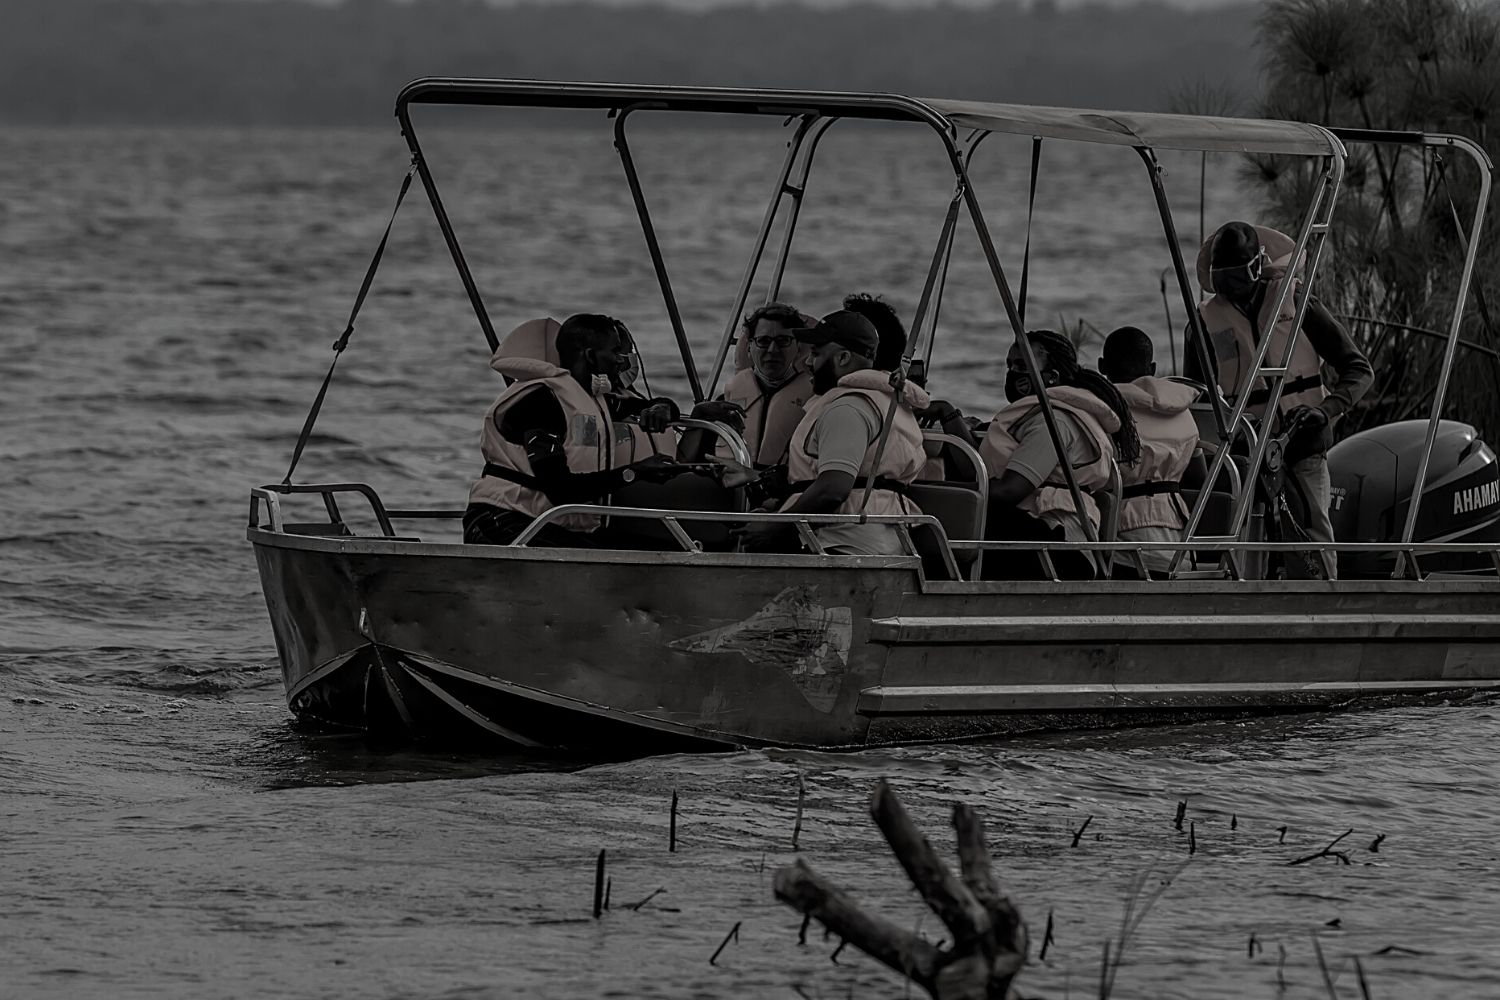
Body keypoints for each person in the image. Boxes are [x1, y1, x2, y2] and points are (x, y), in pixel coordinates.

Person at [1189, 221, 1373, 577]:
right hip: (1242, 452)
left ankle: (1318, 613)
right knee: (1239, 544)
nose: (1234, 295)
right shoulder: (1204, 322)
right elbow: (1195, 401)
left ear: (1259, 265)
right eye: (1225, 286)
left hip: (1302, 443)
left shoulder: (1298, 301)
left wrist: (1325, 411)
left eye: (1240, 283)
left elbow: (1359, 369)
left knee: (1311, 537)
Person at [463, 314, 686, 547]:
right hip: (503, 520)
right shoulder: (540, 402)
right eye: (614, 352)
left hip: (549, 523)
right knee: (604, 561)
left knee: (662, 549)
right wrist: (636, 472)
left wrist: (662, 408)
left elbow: (648, 405)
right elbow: (559, 489)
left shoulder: (590, 399)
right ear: (590, 356)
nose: (621, 361)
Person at [737, 310, 929, 556]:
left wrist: (776, 527)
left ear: (844, 358)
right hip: (873, 541)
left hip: (843, 544)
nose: (807, 362)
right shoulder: (887, 400)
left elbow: (833, 489)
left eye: (816, 354)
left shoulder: (848, 407)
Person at [979, 330, 1140, 579]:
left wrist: (954, 497)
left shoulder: (1053, 421)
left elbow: (1011, 491)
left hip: (1061, 546)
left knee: (966, 516)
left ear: (1052, 377)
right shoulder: (1047, 415)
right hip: (1043, 536)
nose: (1012, 372)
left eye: (1022, 365)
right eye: (1010, 365)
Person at [1098, 326, 1204, 578]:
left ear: (1102, 367)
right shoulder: (1182, 411)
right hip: (1178, 543)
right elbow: (1199, 480)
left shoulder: (1100, 413)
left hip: (1120, 541)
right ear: (1153, 370)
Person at [682, 303, 814, 470]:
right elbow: (686, 464)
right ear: (749, 347)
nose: (773, 350)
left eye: (783, 341)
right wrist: (699, 413)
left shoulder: (815, 402)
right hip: (726, 487)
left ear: (799, 347)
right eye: (763, 341)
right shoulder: (723, 404)